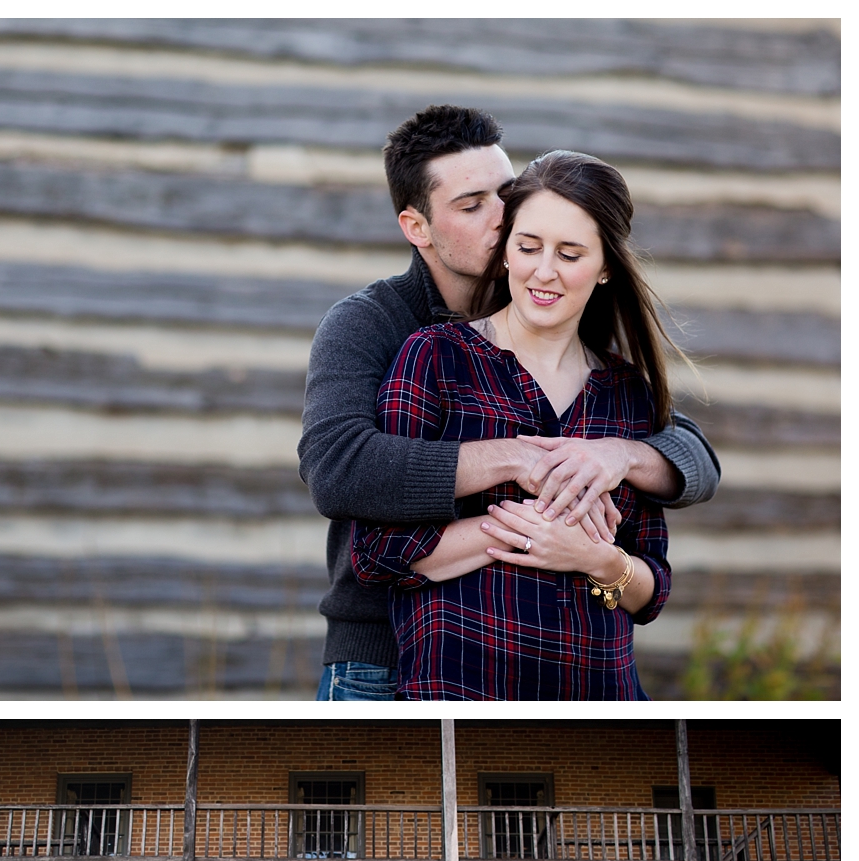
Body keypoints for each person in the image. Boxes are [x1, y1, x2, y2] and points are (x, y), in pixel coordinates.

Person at [299, 105, 718, 699]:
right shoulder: (378, 327)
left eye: (505, 192)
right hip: (388, 658)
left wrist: (617, 458)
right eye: (471, 206)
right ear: (417, 227)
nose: (502, 217)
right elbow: (340, 469)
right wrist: (524, 465)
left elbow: (693, 458)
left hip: (579, 671)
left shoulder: (588, 349)